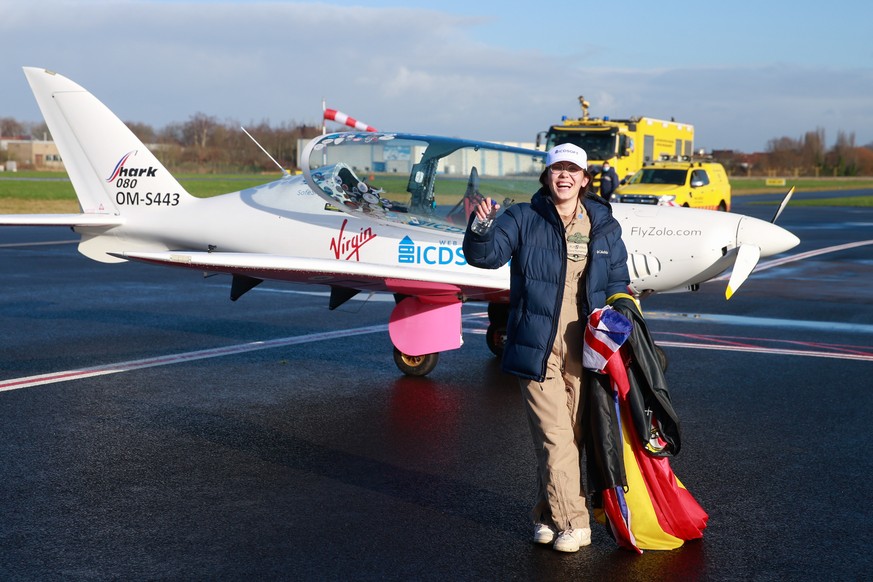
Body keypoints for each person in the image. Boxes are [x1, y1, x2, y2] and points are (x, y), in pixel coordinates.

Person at [463, 143, 630, 553]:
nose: (565, 176)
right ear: (547, 175)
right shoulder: (523, 216)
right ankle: (574, 522)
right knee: (555, 435)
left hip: (585, 345)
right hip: (535, 343)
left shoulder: (603, 224)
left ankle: (544, 514)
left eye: (573, 170)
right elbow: (485, 256)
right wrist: (482, 226)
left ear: (585, 178)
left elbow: (617, 281)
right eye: (558, 169)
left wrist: (622, 323)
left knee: (570, 437)